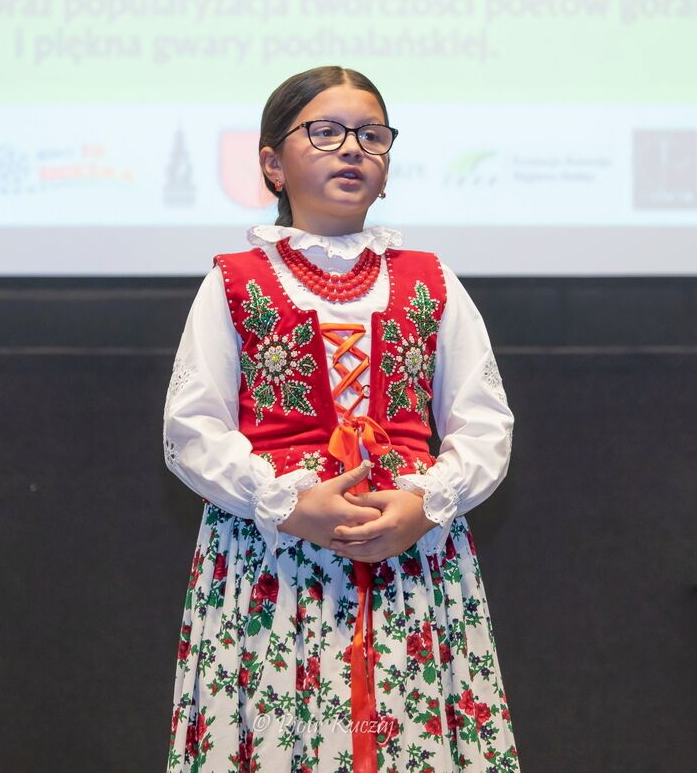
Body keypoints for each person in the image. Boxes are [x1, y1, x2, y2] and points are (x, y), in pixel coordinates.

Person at [162, 66, 517, 773]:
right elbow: (191, 428)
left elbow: (484, 422)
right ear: (272, 164)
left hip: (409, 552)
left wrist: (425, 504)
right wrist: (286, 503)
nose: (352, 148)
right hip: (274, 554)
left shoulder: (431, 279)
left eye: (371, 135)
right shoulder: (234, 282)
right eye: (325, 132)